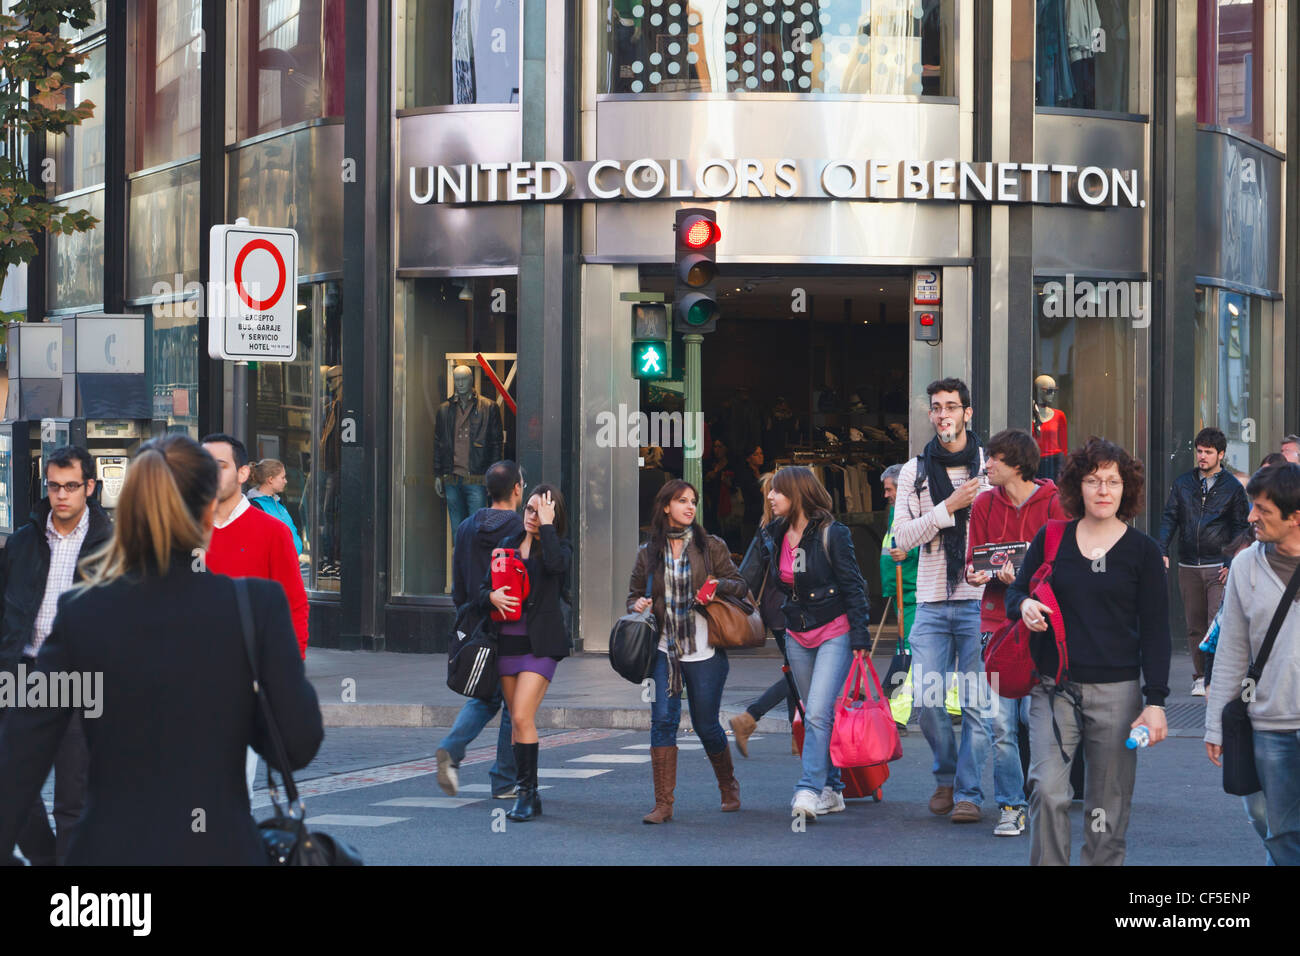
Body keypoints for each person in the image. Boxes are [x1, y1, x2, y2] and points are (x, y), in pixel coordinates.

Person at [0, 435, 323, 864]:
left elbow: (20, 760)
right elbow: (298, 743)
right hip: (220, 849)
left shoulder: (83, 613)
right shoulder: (254, 607)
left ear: (130, 511)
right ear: (208, 509)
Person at [1007, 437, 1171, 866]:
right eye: (1093, 480)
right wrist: (1024, 604)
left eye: (1112, 482)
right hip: (1053, 686)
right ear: (1077, 487)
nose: (1102, 490)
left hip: (1117, 693)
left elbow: (1156, 631)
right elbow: (1017, 593)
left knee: (1106, 808)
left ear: (1126, 490)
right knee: (1046, 789)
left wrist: (1156, 702)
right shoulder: (1052, 537)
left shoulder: (1144, 552)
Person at [0, 446, 111, 865]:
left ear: (89, 487)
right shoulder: (24, 541)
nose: (61, 495)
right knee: (12, 791)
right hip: (23, 673)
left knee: (73, 799)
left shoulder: (112, 545)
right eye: (53, 486)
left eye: (70, 486)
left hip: (81, 681)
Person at [891, 378, 992, 823]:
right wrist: (947, 507)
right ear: (931, 415)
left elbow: (1004, 536)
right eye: (937, 407)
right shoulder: (913, 472)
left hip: (979, 602)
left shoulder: (989, 468)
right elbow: (901, 537)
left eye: (952, 406)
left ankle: (969, 793)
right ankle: (945, 776)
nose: (944, 414)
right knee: (927, 703)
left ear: (968, 413)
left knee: (975, 702)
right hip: (931, 601)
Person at [747, 466, 871, 822]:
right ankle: (833, 790)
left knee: (817, 712)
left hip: (835, 630)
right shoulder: (772, 533)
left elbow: (854, 587)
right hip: (797, 632)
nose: (771, 497)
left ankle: (809, 789)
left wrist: (860, 637)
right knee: (814, 713)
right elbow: (747, 578)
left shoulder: (834, 533)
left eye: (778, 492)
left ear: (798, 495)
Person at [964, 428, 1067, 838]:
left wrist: (1024, 580)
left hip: (1042, 620)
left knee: (1038, 718)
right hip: (995, 622)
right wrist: (981, 575)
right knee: (1002, 724)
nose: (986, 465)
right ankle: (1011, 805)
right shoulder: (985, 503)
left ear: (1018, 463)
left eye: (994, 458)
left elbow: (1065, 562)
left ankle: (1047, 795)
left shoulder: (1056, 502)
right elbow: (974, 564)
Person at [627, 480, 747, 824]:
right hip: (665, 651)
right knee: (662, 721)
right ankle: (663, 804)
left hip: (705, 650)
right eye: (682, 501)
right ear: (666, 506)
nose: (690, 507)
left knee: (706, 724)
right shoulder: (648, 552)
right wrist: (638, 603)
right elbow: (632, 595)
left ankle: (728, 785)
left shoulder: (710, 547)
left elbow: (740, 585)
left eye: (693, 501)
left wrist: (716, 586)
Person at [202, 433, 311, 795]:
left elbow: (294, 605)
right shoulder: (183, 531)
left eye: (219, 466)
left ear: (244, 473)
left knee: (231, 794)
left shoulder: (272, 532)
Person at [1205, 462, 1300, 866]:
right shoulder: (1246, 566)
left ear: (1295, 517)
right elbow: (1231, 652)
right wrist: (1214, 725)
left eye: (1262, 509)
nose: (1250, 517)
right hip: (1269, 724)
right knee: (1271, 824)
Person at [478, 483, 572, 822]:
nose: (533, 516)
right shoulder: (507, 544)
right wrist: (490, 597)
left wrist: (546, 527)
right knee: (517, 724)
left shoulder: (558, 547)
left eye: (542, 511)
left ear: (554, 515)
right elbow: (482, 587)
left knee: (520, 716)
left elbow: (558, 571)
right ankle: (527, 792)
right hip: (507, 643)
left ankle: (527, 795)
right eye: (529, 509)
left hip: (541, 646)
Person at [435, 461, 523, 800]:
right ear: (517, 488)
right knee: (513, 704)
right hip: (510, 625)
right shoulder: (520, 528)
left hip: (475, 623)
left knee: (487, 696)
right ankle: (503, 781)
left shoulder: (467, 527)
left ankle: (452, 747)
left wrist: (465, 618)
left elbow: (459, 585)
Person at [1157, 427, 1250, 696]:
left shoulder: (1232, 487)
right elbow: (1169, 518)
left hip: (1216, 566)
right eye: (1199, 451)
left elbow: (1240, 528)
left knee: (1215, 623)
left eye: (1208, 452)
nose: (1202, 456)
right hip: (1188, 564)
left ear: (1220, 454)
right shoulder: (1183, 483)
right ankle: (1200, 677)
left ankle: (1216, 676)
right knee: (1194, 625)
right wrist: (1162, 548)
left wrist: (1231, 561)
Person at [732, 472, 797, 757]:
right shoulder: (790, 526)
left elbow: (748, 572)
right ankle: (749, 717)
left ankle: (798, 739)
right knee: (800, 672)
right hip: (792, 609)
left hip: (775, 609)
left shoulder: (766, 527)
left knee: (796, 670)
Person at [879, 463, 919, 730]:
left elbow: (919, 544)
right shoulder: (897, 512)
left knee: (906, 651)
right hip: (902, 590)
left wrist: (908, 555)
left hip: (912, 591)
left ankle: (892, 709)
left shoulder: (912, 511)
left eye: (889, 489)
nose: (885, 494)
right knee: (907, 650)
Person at [246, 458, 304, 555]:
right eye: (282, 477)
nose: (285, 481)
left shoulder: (278, 501)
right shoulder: (254, 506)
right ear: (271, 479)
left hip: (291, 563)